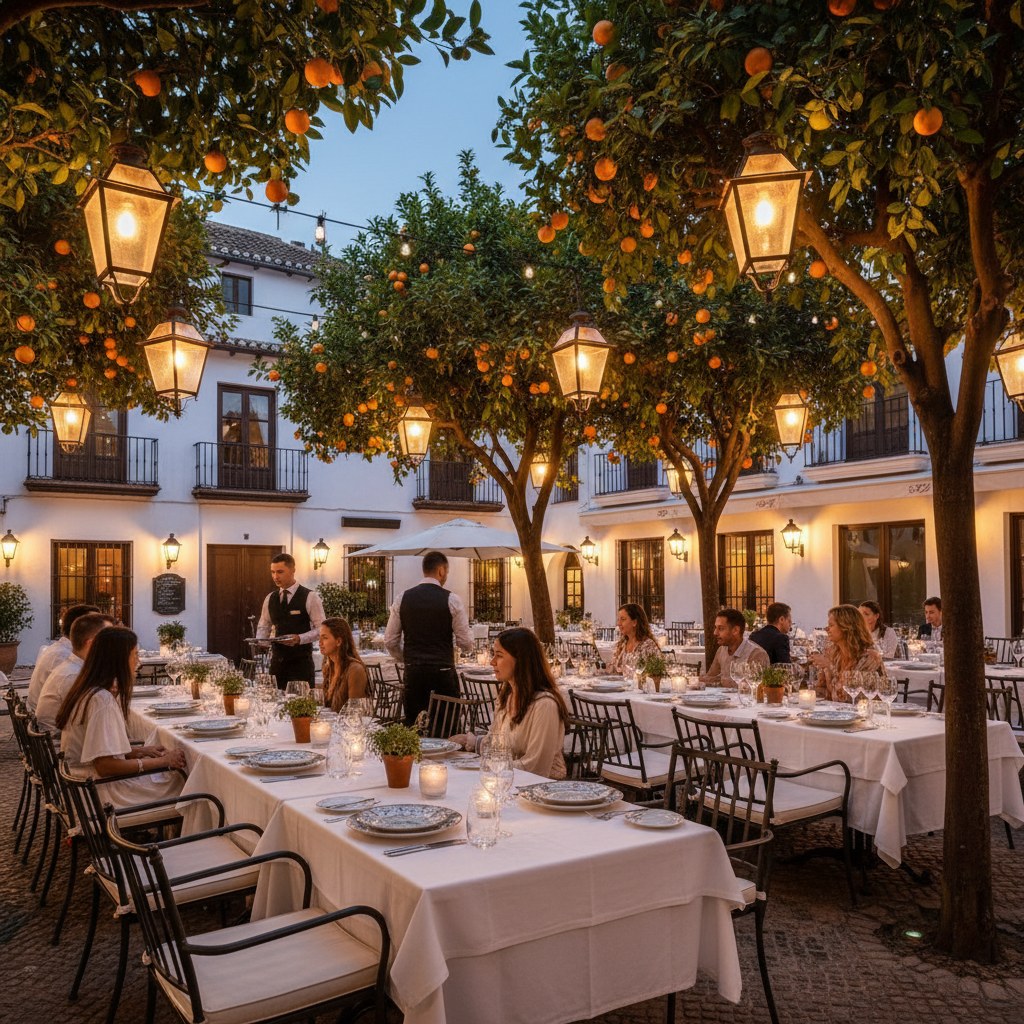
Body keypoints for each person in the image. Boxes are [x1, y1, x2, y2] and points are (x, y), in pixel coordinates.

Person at [56, 626, 186, 809]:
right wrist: (162, 761)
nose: (139, 663)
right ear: (118, 660)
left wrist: (138, 751)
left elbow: (98, 750)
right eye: (135, 655)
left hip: (84, 788)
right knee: (188, 787)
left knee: (175, 779)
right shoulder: (101, 701)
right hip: (102, 796)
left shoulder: (88, 690)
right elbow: (105, 766)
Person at [458, 628, 570, 779]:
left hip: (541, 790)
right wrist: (468, 741)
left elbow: (535, 766)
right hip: (507, 782)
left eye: (499, 656)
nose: (492, 662)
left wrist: (487, 766)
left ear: (521, 660)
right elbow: (495, 744)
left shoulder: (544, 705)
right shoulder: (507, 697)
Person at [384, 550, 474, 724]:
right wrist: (464, 650)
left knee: (415, 728)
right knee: (446, 727)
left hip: (414, 673)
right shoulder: (452, 599)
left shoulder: (402, 598)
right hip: (443, 674)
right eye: (446, 572)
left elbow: (390, 641)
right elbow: (466, 642)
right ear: (441, 571)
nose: (446, 576)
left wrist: (406, 658)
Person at [255, 552, 325, 689]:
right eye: (273, 572)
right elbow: (264, 625)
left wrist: (300, 638)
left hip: (301, 665)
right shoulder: (270, 598)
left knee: (301, 706)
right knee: (275, 703)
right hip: (277, 665)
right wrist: (260, 641)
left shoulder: (310, 597)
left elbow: (322, 629)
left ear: (293, 570)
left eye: (280, 572)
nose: (275, 576)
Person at [35, 612, 113, 731]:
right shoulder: (72, 675)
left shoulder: (74, 667)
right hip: (58, 741)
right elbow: (91, 724)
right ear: (91, 644)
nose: (114, 645)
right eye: (109, 640)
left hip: (59, 735)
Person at [27, 603, 99, 712]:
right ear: (78, 628)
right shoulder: (62, 656)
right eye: (97, 626)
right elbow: (81, 700)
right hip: (51, 725)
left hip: (46, 719)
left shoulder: (62, 649)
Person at [809, 604, 885, 702]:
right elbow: (822, 691)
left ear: (846, 627)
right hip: (837, 713)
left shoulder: (869, 657)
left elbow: (848, 698)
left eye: (831, 625)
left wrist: (830, 667)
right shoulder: (833, 652)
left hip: (867, 713)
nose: (827, 629)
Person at [703, 608, 769, 686]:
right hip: (724, 697)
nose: (715, 633)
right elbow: (711, 677)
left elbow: (757, 687)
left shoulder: (756, 654)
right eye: (715, 628)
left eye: (721, 628)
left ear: (735, 630)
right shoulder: (721, 650)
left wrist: (722, 681)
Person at [320, 617, 368, 711]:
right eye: (320, 637)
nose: (320, 643)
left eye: (324, 638)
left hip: (347, 724)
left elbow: (355, 713)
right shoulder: (329, 667)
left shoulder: (355, 670)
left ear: (338, 641)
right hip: (331, 723)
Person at [605, 603, 662, 674]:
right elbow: (613, 671)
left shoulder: (648, 646)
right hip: (622, 685)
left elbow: (658, 673)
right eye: (618, 619)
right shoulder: (622, 644)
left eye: (623, 619)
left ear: (634, 622)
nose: (619, 623)